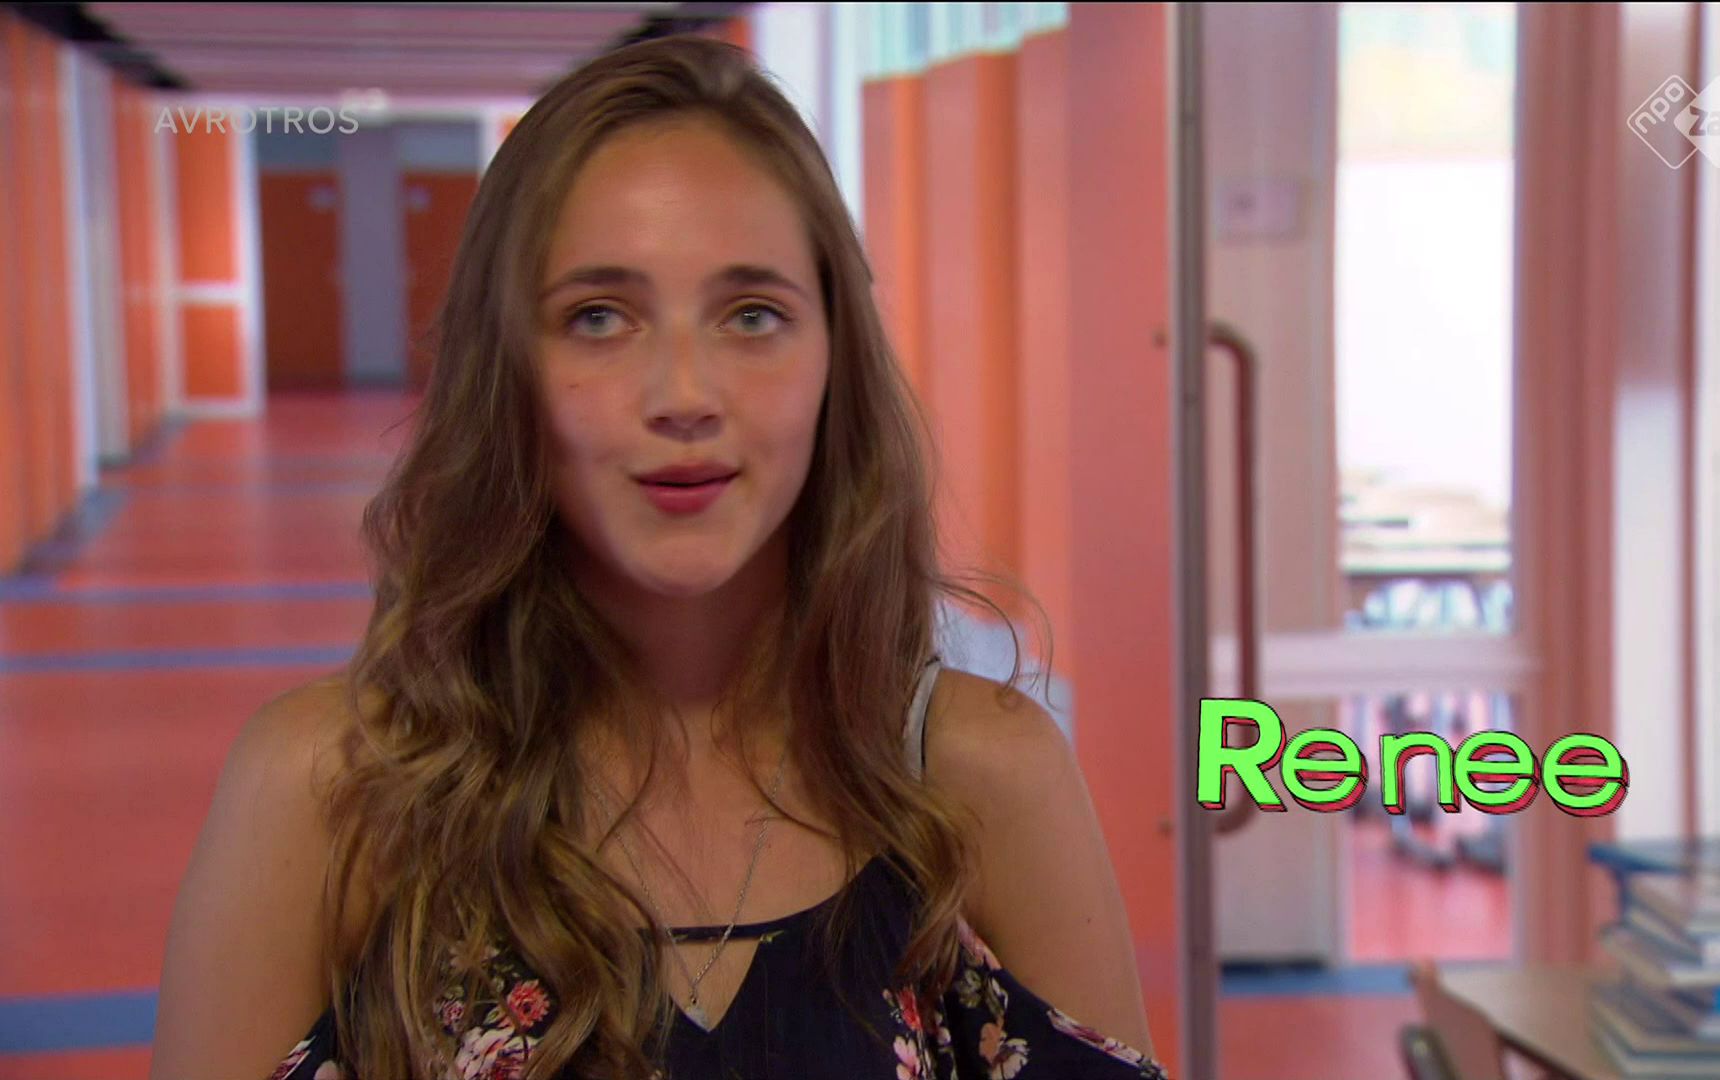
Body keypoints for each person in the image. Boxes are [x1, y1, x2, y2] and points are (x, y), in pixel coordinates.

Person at [150, 35, 1164, 1080]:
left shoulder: (981, 775)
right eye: (599, 317)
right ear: (506, 368)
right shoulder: (331, 794)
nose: (684, 394)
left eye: (753, 314)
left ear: (834, 357)